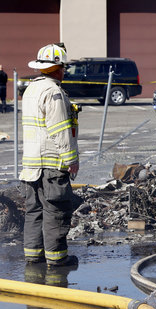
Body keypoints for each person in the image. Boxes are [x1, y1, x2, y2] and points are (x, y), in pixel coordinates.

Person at [20, 43, 79, 267]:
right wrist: (71, 160)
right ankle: (57, 259)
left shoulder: (31, 89)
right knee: (56, 212)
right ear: (57, 68)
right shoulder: (54, 92)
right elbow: (60, 130)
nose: (64, 71)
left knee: (34, 212)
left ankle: (33, 257)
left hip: (31, 166)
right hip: (51, 165)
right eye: (63, 67)